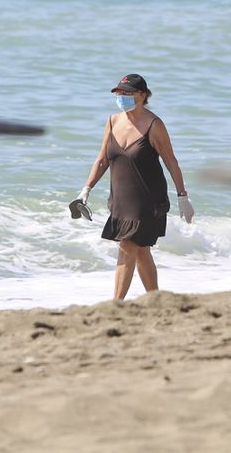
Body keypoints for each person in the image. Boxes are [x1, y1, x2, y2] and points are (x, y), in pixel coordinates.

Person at [75, 73, 194, 300]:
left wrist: (182, 196)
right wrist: (85, 190)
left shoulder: (154, 125)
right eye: (119, 93)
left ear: (142, 95)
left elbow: (171, 162)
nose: (121, 97)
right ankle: (156, 300)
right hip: (120, 200)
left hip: (148, 200)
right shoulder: (112, 121)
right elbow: (102, 160)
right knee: (141, 251)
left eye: (127, 93)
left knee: (128, 246)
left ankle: (116, 304)